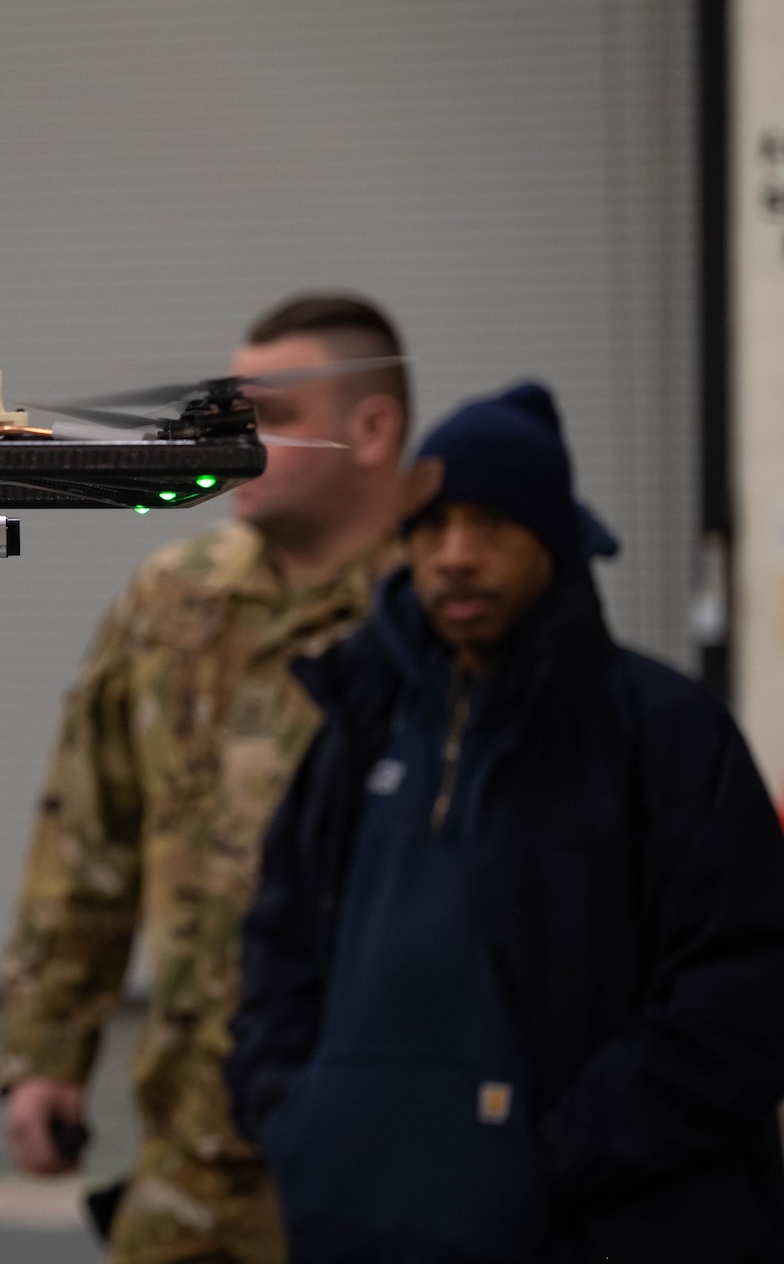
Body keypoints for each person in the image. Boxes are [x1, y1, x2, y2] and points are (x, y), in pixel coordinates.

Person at [227, 383, 784, 1262]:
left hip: (597, 1229)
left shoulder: (662, 733)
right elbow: (278, 940)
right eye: (433, 527)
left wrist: (558, 1151)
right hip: (360, 1223)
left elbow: (741, 988)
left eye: (491, 525)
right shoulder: (357, 722)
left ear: (554, 544)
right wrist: (299, 1117)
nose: (455, 556)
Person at [0, 293, 412, 1264]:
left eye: (267, 417)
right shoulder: (170, 599)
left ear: (370, 429)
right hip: (187, 1155)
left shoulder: (436, 609)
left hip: (382, 1155)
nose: (227, 441)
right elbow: (85, 830)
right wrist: (45, 1052)